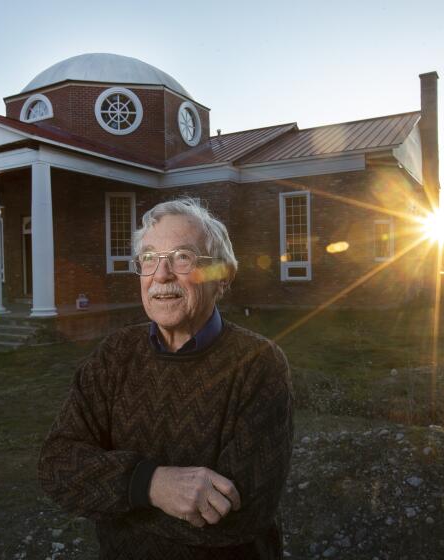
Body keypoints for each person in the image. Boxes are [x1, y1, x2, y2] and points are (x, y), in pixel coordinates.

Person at [38, 198, 294, 559]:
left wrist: (113, 501)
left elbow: (243, 515)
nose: (161, 275)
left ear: (221, 277)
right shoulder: (114, 355)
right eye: (149, 259)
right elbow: (57, 464)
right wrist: (151, 485)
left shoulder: (259, 364)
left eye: (182, 257)